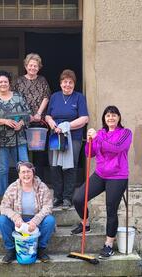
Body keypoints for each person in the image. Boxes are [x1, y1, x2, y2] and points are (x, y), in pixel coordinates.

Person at [71, 105, 132, 259]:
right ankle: (85, 224)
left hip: (117, 177)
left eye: (114, 115)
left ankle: (108, 245)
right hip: (100, 174)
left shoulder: (125, 133)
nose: (110, 118)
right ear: (104, 119)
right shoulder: (100, 133)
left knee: (111, 210)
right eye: (108, 115)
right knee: (78, 198)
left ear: (119, 117)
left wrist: (97, 138)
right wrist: (89, 140)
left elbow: (117, 148)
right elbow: (89, 153)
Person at [45, 69, 89, 209]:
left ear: (74, 84)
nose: (67, 85)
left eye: (70, 82)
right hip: (55, 136)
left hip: (73, 137)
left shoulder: (79, 97)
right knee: (54, 166)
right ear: (60, 83)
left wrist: (67, 126)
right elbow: (47, 115)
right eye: (65, 82)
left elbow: (84, 118)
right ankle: (57, 197)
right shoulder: (55, 97)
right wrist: (52, 123)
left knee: (70, 167)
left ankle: (67, 198)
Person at [0, 161, 56, 264]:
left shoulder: (42, 187)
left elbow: (48, 206)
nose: (26, 175)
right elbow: (4, 206)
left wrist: (35, 221)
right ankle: (10, 250)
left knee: (50, 220)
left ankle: (40, 249)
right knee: (2, 220)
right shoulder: (13, 187)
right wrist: (16, 217)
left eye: (28, 171)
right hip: (18, 222)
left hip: (35, 221)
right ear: (19, 174)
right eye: (23, 172)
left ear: (33, 172)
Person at [0, 71, 31, 197]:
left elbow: (28, 113)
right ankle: (4, 201)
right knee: (2, 170)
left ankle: (24, 197)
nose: (3, 84)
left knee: (25, 168)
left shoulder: (18, 97)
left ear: (9, 83)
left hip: (18, 139)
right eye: (0, 82)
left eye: (6, 81)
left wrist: (21, 123)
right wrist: (4, 121)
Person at [12, 53, 51, 175]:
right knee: (24, 153)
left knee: (39, 153)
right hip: (23, 121)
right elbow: (15, 100)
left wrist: (39, 113)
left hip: (39, 121)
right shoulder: (18, 81)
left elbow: (46, 96)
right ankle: (26, 179)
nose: (33, 68)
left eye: (35, 66)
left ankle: (38, 180)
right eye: (30, 65)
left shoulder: (42, 80)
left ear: (39, 67)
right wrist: (27, 115)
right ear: (26, 66)